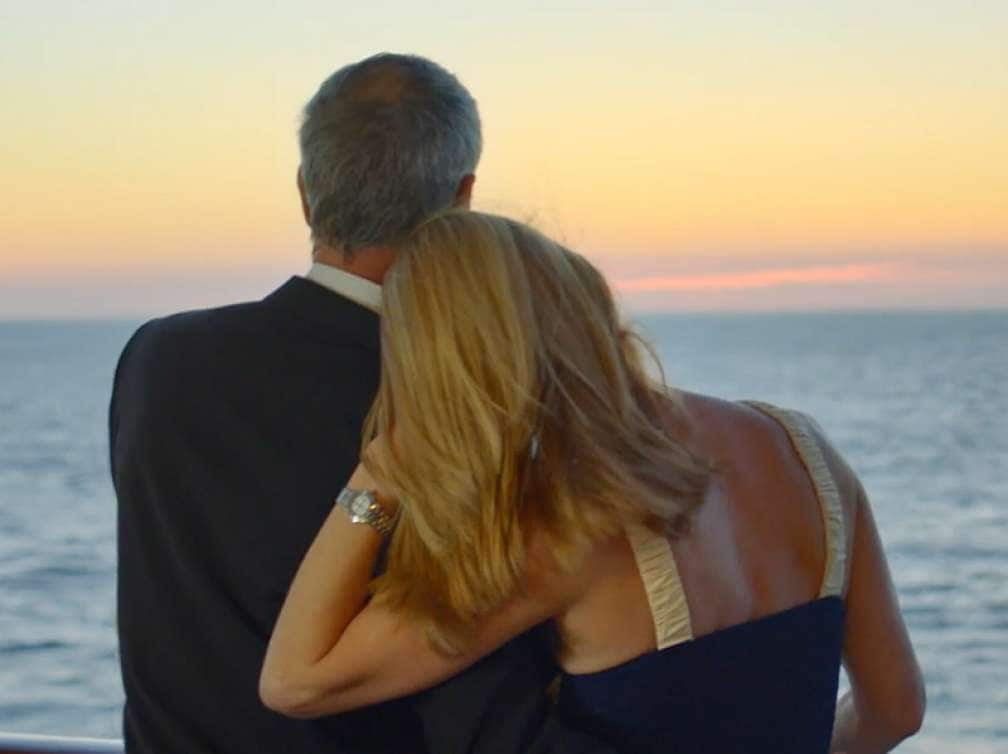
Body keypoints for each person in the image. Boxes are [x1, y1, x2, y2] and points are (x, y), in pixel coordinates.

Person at [260, 210, 927, 754]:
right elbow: (895, 710)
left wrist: (381, 470)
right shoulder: (805, 450)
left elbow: (297, 680)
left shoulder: (566, 521)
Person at [110, 54, 619, 754]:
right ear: (462, 200)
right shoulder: (465, 401)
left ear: (305, 193)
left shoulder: (158, 360)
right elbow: (479, 700)